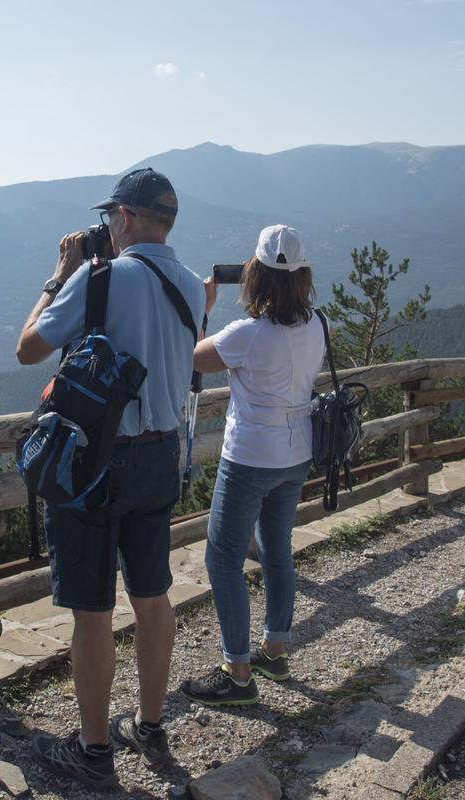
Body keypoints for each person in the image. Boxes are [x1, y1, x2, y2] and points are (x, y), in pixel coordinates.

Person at [15, 168, 205, 787]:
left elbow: (28, 349)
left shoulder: (99, 278)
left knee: (92, 612)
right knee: (152, 596)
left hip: (94, 465)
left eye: (110, 218)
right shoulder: (190, 287)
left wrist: (59, 276)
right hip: (161, 457)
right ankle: (150, 725)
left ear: (123, 217)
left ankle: (94, 753)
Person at [179, 224, 325, 707]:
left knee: (221, 558)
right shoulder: (317, 324)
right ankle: (275, 649)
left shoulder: (246, 334)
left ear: (255, 275)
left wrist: (202, 310)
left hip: (249, 458)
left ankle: (237, 672)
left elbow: (194, 360)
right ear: (301, 276)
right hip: (296, 452)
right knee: (276, 547)